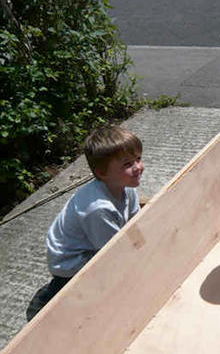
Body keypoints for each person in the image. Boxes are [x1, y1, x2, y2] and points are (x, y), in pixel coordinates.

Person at [26, 125, 144, 320]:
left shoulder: (127, 187)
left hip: (93, 246)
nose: (137, 167)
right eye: (127, 164)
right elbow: (112, 253)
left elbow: (135, 224)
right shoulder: (98, 208)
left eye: (138, 159)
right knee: (83, 304)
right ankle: (52, 296)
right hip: (71, 260)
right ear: (102, 173)